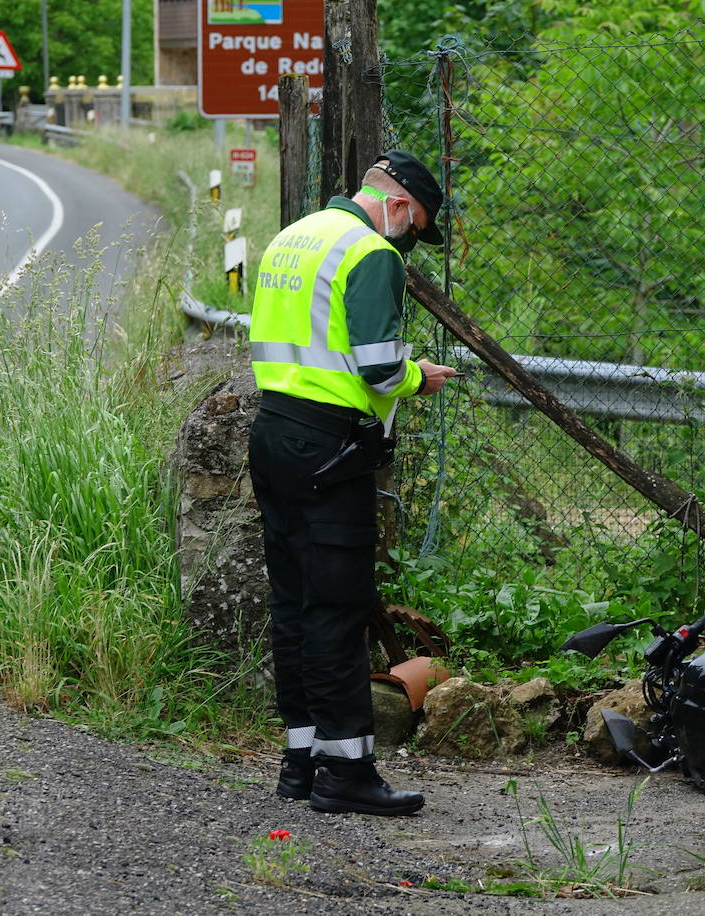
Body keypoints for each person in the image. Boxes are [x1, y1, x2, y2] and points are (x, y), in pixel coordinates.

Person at [247, 151, 457, 816]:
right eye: (415, 226)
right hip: (329, 447)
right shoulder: (371, 254)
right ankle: (348, 773)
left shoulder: (293, 238)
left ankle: (301, 761)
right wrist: (419, 375)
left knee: (293, 603)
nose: (409, 241)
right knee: (337, 608)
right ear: (398, 206)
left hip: (273, 430)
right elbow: (378, 371)